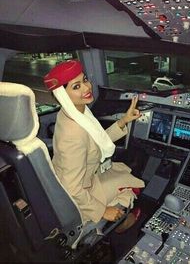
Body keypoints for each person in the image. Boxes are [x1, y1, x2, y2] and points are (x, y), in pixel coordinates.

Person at [44, 60, 145, 232]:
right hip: (79, 191)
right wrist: (102, 210)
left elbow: (96, 140)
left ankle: (120, 217)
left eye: (84, 80)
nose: (86, 87)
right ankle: (116, 225)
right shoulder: (72, 134)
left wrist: (123, 121)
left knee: (125, 174)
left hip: (86, 175)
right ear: (62, 95)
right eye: (76, 87)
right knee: (129, 186)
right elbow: (72, 188)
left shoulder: (76, 111)